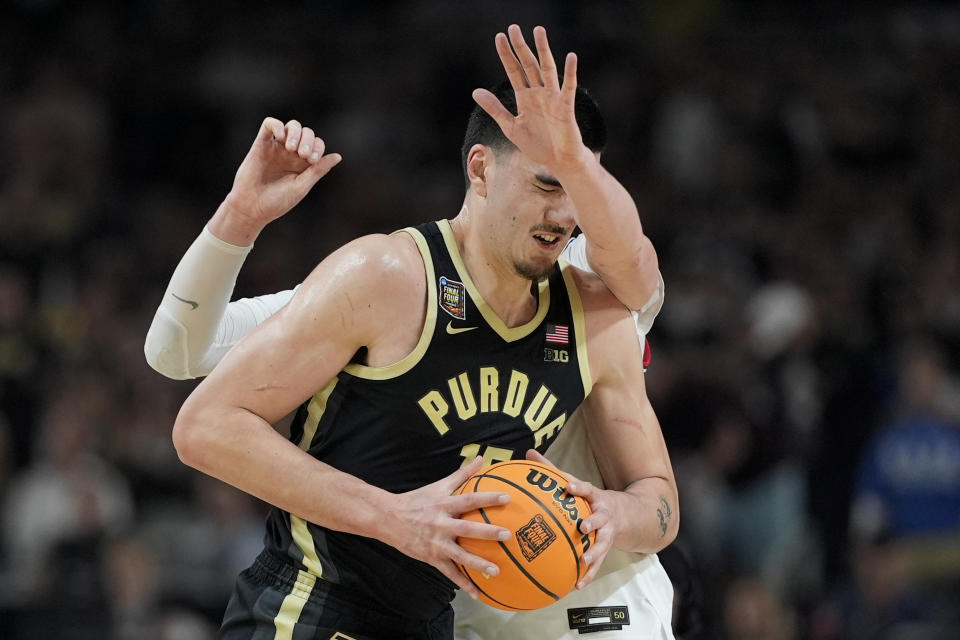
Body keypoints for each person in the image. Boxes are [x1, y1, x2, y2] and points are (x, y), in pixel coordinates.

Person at [148, 25, 678, 640]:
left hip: (467, 613)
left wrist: (615, 511)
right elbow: (201, 417)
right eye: (546, 183)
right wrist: (394, 517)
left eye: (581, 189)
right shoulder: (385, 277)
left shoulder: (598, 300)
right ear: (481, 170)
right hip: (317, 609)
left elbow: (659, 499)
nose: (565, 215)